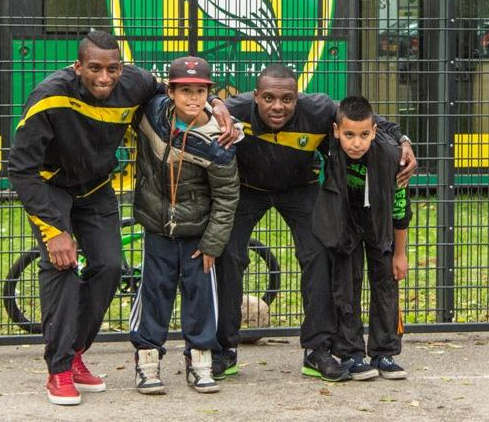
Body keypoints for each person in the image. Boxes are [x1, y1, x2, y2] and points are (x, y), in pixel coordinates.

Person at [8, 31, 237, 406]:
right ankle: (60, 369)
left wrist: (215, 102)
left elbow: (179, 89)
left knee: (110, 267)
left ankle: (77, 351)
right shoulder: (47, 97)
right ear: (77, 66)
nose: (104, 77)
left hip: (95, 187)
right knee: (63, 267)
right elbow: (21, 169)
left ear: (122, 67)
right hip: (51, 188)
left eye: (112, 68)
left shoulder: (135, 83)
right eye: (94, 68)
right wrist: (54, 232)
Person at [214, 65, 416, 383]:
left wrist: (403, 141)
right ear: (255, 97)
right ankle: (223, 350)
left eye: (287, 98)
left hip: (300, 189)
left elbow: (365, 120)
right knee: (228, 254)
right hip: (248, 189)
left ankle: (317, 350)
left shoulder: (318, 108)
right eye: (268, 98)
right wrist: (216, 105)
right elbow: (203, 105)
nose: (277, 106)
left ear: (298, 98)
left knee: (320, 254)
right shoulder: (234, 110)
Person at [129, 56, 240, 395]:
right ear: (171, 91)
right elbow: (135, 82)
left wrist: (212, 244)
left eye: (201, 92)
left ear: (209, 93)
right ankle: (147, 362)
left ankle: (200, 360)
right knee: (153, 293)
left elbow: (227, 196)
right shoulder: (151, 113)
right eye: (185, 91)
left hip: (197, 235)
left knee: (201, 297)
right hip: (157, 227)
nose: (193, 99)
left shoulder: (219, 140)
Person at [312, 96, 412, 381]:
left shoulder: (393, 156)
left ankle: (384, 352)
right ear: (335, 131)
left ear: (374, 131)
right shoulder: (328, 147)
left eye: (364, 135)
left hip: (379, 224)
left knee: (385, 285)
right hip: (344, 222)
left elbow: (401, 209)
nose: (356, 143)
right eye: (349, 135)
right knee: (345, 286)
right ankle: (351, 353)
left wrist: (400, 254)